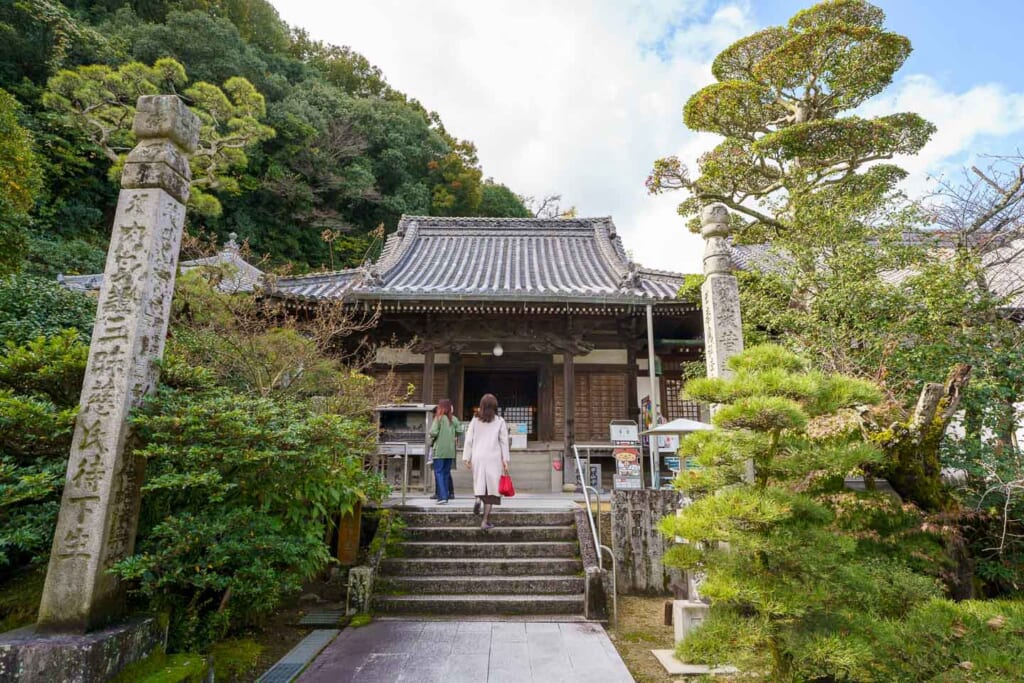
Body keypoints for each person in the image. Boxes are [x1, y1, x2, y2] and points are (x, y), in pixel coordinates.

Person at [462, 393, 510, 530]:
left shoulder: (475, 420)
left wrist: (466, 457)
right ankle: (484, 521)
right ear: (495, 406)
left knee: (479, 482)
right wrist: (505, 460)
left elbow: (469, 439)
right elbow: (504, 442)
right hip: (493, 457)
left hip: (478, 456)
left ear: (481, 406)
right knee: (491, 491)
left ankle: (478, 497)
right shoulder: (500, 421)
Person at [428, 399, 461, 505]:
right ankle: (446, 494)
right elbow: (460, 431)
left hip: (439, 451)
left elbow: (433, 432)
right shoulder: (454, 419)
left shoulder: (438, 418)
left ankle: (442, 497)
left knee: (439, 473)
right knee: (446, 473)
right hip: (450, 451)